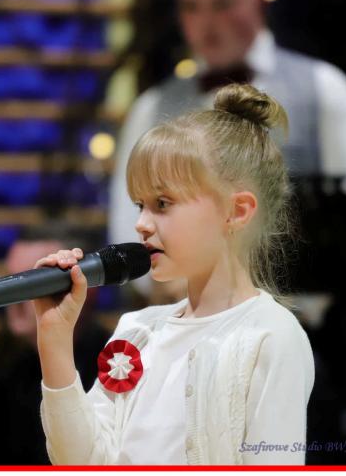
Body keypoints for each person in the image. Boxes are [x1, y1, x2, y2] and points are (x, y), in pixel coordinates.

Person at [34, 84, 314, 465]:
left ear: (237, 211)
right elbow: (80, 462)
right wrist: (55, 339)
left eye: (162, 204)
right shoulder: (137, 331)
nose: (141, 224)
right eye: (140, 205)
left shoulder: (271, 335)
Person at [108, 0, 346, 303]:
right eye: (191, 6)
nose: (206, 22)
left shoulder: (323, 88)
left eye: (222, 3)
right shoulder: (152, 107)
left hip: (309, 318)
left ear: (259, 1)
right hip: (187, 313)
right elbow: (128, 224)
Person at [0, 228, 111, 465]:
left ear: (85, 286)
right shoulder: (1, 382)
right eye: (10, 279)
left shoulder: (116, 364)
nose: (14, 299)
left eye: (32, 283)